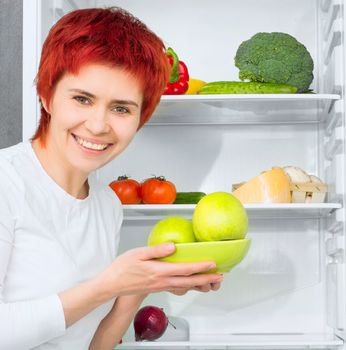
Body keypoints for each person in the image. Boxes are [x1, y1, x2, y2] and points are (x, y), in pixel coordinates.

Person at [0, 7, 223, 350]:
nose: (99, 125)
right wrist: (108, 285)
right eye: (82, 99)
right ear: (47, 96)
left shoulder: (107, 205)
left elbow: (94, 345)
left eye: (121, 108)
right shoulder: (7, 182)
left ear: (140, 118)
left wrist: (140, 284)